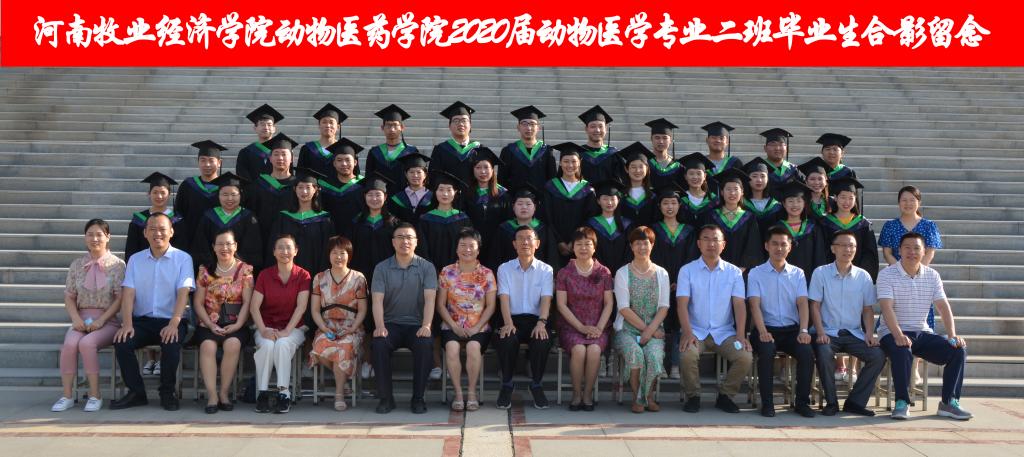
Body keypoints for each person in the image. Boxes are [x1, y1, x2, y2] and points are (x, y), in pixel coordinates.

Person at [878, 232, 972, 421]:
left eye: (916, 248)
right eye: (907, 247)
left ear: (924, 252)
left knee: (958, 350)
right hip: (892, 332)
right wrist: (898, 334)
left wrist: (952, 335)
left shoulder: (932, 275)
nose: (911, 252)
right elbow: (886, 308)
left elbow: (943, 306)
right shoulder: (887, 274)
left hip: (922, 332)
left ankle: (949, 403)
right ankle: (902, 402)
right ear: (899, 250)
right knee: (902, 349)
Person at [111, 212, 195, 412]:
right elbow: (128, 293)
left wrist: (174, 323)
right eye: (153, 229)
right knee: (122, 342)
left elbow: (183, 292)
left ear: (171, 232)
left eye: (162, 229)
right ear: (145, 233)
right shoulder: (135, 260)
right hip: (143, 321)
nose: (158, 233)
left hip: (171, 320)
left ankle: (167, 392)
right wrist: (127, 324)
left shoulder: (183, 258)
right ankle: (136, 393)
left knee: (171, 343)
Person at [677, 224, 753, 414]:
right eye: (706, 239)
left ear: (723, 244)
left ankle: (726, 396)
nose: (711, 244)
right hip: (696, 331)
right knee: (687, 355)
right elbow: (682, 304)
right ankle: (693, 396)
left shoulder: (734, 272)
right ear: (698, 244)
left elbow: (739, 305)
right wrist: (687, 332)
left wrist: (741, 335)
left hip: (725, 332)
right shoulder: (687, 270)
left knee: (745, 357)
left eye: (715, 240)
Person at [52, 219, 126, 413]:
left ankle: (95, 395)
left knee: (87, 343)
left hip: (107, 321)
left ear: (108, 237)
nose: (95, 239)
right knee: (69, 344)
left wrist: (101, 320)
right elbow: (69, 296)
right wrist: (75, 319)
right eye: (90, 235)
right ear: (85, 238)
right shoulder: (77, 264)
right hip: (81, 319)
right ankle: (67, 395)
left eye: (99, 234)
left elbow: (120, 299)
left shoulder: (118, 265)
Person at [809, 230, 885, 417]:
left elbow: (867, 309)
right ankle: (831, 402)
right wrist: (820, 332)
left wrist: (869, 334)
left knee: (877, 355)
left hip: (853, 333)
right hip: (827, 332)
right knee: (824, 352)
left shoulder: (863, 276)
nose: (848, 249)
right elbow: (814, 306)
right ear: (833, 249)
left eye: (851, 246)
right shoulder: (821, 273)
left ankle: (855, 402)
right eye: (843, 245)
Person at [878, 185, 943, 386]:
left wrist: (916, 270)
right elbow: (887, 252)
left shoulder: (929, 225)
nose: (908, 203)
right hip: (895, 279)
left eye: (912, 200)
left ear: (919, 202)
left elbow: (930, 251)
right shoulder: (890, 225)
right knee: (894, 317)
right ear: (899, 203)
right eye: (904, 200)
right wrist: (899, 270)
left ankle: (914, 367)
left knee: (920, 326)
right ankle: (901, 364)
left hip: (920, 279)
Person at [747, 225, 815, 418]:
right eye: (774, 244)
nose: (779, 248)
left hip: (792, 330)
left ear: (790, 247)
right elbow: (754, 305)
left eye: (783, 244)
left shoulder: (798, 273)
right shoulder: (756, 273)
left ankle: (802, 403)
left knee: (806, 352)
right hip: (765, 329)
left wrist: (803, 330)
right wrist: (762, 331)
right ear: (766, 246)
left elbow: (802, 303)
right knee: (767, 351)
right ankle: (767, 404)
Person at [370, 223, 438, 414]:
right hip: (390, 323)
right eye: (400, 237)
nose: (405, 241)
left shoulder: (427, 267)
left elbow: (430, 299)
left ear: (416, 242)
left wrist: (426, 325)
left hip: (416, 324)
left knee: (425, 344)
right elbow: (377, 301)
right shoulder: (382, 268)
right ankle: (386, 398)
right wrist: (380, 326)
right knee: (379, 344)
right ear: (393, 242)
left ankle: (418, 398)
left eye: (409, 237)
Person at [343, 173, 398, 380]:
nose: (374, 198)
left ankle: (379, 361)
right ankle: (365, 360)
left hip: (388, 278)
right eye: (370, 195)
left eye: (378, 195)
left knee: (384, 318)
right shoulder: (356, 222)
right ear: (364, 197)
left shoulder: (394, 222)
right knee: (365, 319)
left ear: (385, 197)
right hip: (361, 277)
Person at [192, 228, 254, 414]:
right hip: (208, 323)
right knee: (207, 347)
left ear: (235, 246)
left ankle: (224, 393)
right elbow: (197, 302)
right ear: (213, 247)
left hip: (236, 323)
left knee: (232, 344)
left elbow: (248, 302)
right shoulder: (205, 271)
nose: (224, 248)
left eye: (228, 244)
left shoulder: (245, 270)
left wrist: (238, 324)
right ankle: (212, 396)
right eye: (220, 244)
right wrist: (210, 324)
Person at [250, 234, 311, 414]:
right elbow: (254, 307)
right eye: (280, 248)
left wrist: (286, 331)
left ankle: (284, 394)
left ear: (296, 251)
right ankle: (262, 393)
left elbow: (301, 307)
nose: (285, 251)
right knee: (267, 345)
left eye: (289, 247)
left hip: (294, 327)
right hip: (266, 325)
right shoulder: (265, 275)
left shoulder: (303, 275)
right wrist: (263, 330)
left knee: (283, 344)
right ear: (274, 252)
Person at [495, 226, 555, 410]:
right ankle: (507, 384)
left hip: (536, 319)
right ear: (514, 244)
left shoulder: (546, 269)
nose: (525, 242)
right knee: (506, 339)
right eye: (520, 238)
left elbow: (546, 299)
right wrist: (508, 323)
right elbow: (503, 298)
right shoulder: (504, 268)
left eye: (529, 238)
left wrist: (542, 323)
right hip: (511, 318)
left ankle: (536, 384)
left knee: (541, 340)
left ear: (537, 243)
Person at [437, 229, 496, 412]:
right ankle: (458, 394)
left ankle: (471, 393)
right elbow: (440, 305)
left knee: (473, 347)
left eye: (471, 246)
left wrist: (476, 327)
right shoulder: (447, 272)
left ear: (478, 250)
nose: (467, 249)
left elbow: (490, 306)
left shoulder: (487, 274)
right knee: (452, 348)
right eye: (463, 245)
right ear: (456, 249)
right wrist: (454, 326)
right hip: (451, 324)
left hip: (478, 326)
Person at [613, 226, 671, 413]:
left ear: (652, 245)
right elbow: (623, 308)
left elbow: (664, 307)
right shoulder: (623, 273)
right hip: (627, 330)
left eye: (645, 243)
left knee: (654, 355)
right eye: (637, 243)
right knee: (635, 353)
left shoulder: (662, 273)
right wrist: (648, 330)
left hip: (655, 329)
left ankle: (648, 397)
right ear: (631, 246)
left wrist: (651, 330)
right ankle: (637, 398)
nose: (642, 247)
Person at [555, 227, 614, 411]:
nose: (583, 248)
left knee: (594, 350)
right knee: (579, 350)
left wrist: (599, 328)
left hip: (598, 325)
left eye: (587, 244)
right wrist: (581, 327)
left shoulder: (604, 272)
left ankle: (587, 394)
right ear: (572, 247)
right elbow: (561, 305)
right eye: (579, 244)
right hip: (572, 326)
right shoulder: (564, 273)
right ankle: (576, 394)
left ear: (594, 247)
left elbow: (609, 303)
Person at [309, 236, 367, 412]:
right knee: (319, 346)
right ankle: (343, 378)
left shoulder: (358, 278)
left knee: (344, 347)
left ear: (349, 255)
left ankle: (339, 394)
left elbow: (363, 310)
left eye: (342, 253)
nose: (338, 257)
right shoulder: (319, 278)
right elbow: (315, 310)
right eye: (334, 253)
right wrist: (324, 328)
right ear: (328, 254)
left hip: (351, 325)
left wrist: (353, 328)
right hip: (326, 325)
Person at [649, 185, 698, 379]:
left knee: (679, 324)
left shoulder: (689, 231)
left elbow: (691, 257)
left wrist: (680, 280)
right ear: (659, 206)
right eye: (665, 203)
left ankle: (676, 365)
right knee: (659, 323)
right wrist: (664, 280)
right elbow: (651, 257)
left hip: (681, 285)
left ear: (679, 206)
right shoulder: (653, 230)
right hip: (659, 283)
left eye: (673, 203)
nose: (669, 207)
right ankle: (660, 364)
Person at [191, 172, 263, 270]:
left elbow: (252, 248)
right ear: (218, 195)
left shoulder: (249, 217)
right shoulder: (209, 216)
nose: (229, 198)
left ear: (240, 195)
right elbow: (201, 246)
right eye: (225, 194)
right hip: (213, 270)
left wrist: (235, 268)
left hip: (240, 271)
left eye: (234, 194)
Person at [267, 167, 333, 273]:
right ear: (295, 189)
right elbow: (274, 246)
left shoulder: (324, 220)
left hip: (316, 273)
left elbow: (327, 251)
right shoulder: (283, 217)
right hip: (287, 273)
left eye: (308, 187)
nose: (304, 191)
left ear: (315, 190)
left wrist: (322, 275)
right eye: (300, 187)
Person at [544, 142, 596, 267]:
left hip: (580, 244)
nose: (570, 165)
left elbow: (590, 218)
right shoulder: (550, 187)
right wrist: (559, 241)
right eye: (566, 161)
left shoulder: (587, 189)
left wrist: (575, 241)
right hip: (554, 244)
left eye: (574, 161)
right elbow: (547, 216)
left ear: (580, 162)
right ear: (560, 163)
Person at [701, 168, 763, 272]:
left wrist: (742, 268)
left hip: (741, 272)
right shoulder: (711, 216)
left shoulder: (749, 218)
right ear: (722, 192)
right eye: (728, 189)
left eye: (736, 189)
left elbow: (753, 245)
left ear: (742, 192)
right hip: (714, 270)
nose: (732, 193)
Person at [819, 177, 879, 280]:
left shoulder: (863, 224)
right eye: (843, 197)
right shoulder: (825, 223)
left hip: (856, 277)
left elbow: (869, 254)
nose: (846, 202)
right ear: (835, 198)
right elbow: (821, 252)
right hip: (830, 276)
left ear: (855, 200)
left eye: (851, 198)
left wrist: (861, 276)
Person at [174, 140, 226, 256]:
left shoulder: (226, 187)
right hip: (191, 242)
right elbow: (178, 213)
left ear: (219, 163)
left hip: (220, 244)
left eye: (211, 160)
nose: (207, 164)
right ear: (198, 162)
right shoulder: (188, 185)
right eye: (203, 160)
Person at [489, 184, 558, 269]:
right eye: (520, 204)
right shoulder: (503, 229)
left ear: (535, 207)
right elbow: (495, 259)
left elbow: (552, 258)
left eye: (528, 204)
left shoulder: (544, 229)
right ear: (513, 207)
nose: (524, 207)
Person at [247, 133, 299, 243]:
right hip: (262, 238)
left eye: (284, 154)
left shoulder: (298, 185)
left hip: (291, 240)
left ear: (291, 158)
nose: (280, 158)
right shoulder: (259, 184)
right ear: (270, 158)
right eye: (276, 154)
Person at [462, 147, 507, 269]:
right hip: (472, 244)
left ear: (492, 170)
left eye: (486, 167)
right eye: (478, 168)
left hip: (497, 245)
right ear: (473, 170)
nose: (482, 171)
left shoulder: (503, 195)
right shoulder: (466, 194)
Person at [125, 172, 187, 261]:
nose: (159, 196)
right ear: (149, 194)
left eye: (163, 192)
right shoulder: (139, 219)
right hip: (143, 263)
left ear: (169, 194)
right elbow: (131, 248)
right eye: (155, 192)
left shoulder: (177, 220)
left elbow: (181, 248)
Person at [418, 171, 474, 269]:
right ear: (435, 192)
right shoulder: (426, 219)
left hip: (458, 270)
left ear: (455, 192)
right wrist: (429, 268)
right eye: (441, 190)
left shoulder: (462, 218)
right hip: (431, 269)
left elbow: (468, 245)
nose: (445, 194)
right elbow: (422, 247)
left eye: (449, 190)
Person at [774, 180, 828, 281]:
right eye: (790, 201)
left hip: (809, 279)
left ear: (804, 203)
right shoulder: (777, 228)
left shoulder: (813, 228)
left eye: (799, 201)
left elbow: (819, 256)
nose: (795, 205)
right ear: (784, 204)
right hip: (782, 279)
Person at [364, 104, 420, 195]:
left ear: (402, 128)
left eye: (395, 125)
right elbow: (369, 178)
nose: (392, 129)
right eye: (388, 125)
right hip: (380, 198)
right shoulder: (374, 152)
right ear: (382, 128)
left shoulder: (411, 152)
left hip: (404, 198)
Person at [499, 105, 557, 191]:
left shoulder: (546, 151)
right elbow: (501, 180)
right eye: (524, 124)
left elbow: (552, 180)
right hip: (515, 198)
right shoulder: (508, 151)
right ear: (518, 127)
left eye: (532, 124)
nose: (528, 128)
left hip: (541, 198)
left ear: (538, 128)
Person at [429, 101, 484, 187]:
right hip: (448, 194)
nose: (460, 124)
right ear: (449, 126)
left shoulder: (480, 149)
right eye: (456, 121)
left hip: (473, 194)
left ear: (470, 125)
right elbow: (433, 177)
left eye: (464, 120)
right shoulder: (440, 149)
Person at [318, 138, 366, 235]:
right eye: (339, 160)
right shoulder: (324, 185)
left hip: (357, 234)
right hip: (330, 234)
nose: (344, 164)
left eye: (348, 160)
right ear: (334, 163)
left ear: (355, 162)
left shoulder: (363, 184)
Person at [585, 180, 633, 273]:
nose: (609, 203)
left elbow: (629, 250)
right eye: (605, 199)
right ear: (598, 201)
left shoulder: (627, 224)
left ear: (618, 200)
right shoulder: (591, 224)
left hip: (623, 272)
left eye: (612, 199)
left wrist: (621, 271)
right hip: (598, 272)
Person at [297, 103, 347, 178]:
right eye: (324, 122)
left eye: (331, 122)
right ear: (319, 125)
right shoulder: (307, 149)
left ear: (338, 127)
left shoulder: (344, 149)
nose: (328, 125)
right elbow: (300, 175)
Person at [236, 104, 283, 182]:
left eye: (269, 125)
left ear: (274, 129)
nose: (266, 128)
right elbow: (242, 177)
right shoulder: (246, 152)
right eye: (262, 124)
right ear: (255, 128)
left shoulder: (283, 153)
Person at [742, 158, 785, 242]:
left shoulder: (776, 206)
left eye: (763, 176)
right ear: (748, 179)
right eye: (754, 176)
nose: (759, 180)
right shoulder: (741, 204)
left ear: (768, 179)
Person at [578, 105, 621, 183]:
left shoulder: (614, 154)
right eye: (593, 126)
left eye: (601, 126)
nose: (597, 130)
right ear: (586, 129)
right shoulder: (578, 154)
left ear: (606, 129)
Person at [616, 142, 657, 225]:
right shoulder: (620, 194)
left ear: (647, 169)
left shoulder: (653, 195)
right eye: (633, 167)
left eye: (641, 167)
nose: (637, 171)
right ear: (626, 169)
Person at [388, 152, 434, 224]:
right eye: (411, 172)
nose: (415, 175)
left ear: (425, 174)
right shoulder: (397, 198)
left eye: (419, 172)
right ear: (406, 174)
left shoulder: (433, 198)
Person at [676, 152, 720, 225]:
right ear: (685, 177)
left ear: (705, 176)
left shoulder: (713, 200)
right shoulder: (680, 199)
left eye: (699, 173)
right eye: (691, 173)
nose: (695, 177)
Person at [644, 118, 683, 191]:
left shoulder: (678, 165)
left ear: (670, 140)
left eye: (665, 138)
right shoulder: (645, 163)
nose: (661, 141)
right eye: (657, 138)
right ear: (651, 139)